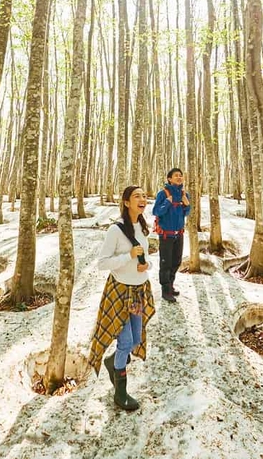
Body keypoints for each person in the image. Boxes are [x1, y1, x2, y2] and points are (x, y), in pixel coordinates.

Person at [88, 185, 157, 411]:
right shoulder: (115, 230)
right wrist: (128, 256)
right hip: (119, 294)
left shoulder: (142, 228)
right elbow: (102, 263)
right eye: (137, 196)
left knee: (135, 340)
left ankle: (113, 362)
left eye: (144, 196)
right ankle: (120, 393)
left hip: (137, 293)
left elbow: (144, 259)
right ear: (126, 202)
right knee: (126, 341)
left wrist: (147, 265)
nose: (142, 199)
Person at [152, 167, 191, 302]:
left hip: (179, 234)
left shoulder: (184, 194)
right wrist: (167, 203)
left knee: (176, 261)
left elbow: (186, 213)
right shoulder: (163, 193)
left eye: (181, 175)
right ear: (169, 179)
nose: (179, 177)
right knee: (166, 263)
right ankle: (165, 290)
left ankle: (171, 286)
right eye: (176, 175)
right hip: (166, 235)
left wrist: (187, 205)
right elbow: (156, 211)